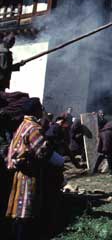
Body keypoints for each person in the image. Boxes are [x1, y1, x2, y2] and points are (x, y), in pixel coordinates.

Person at [5, 98, 61, 240]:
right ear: (35, 110)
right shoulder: (34, 128)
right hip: (29, 175)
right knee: (26, 211)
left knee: (18, 212)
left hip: (19, 173)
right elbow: (42, 152)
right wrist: (51, 135)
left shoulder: (23, 124)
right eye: (40, 108)